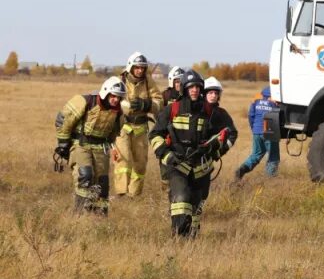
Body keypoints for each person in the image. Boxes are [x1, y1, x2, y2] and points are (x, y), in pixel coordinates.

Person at [149, 70, 229, 237]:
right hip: (178, 164)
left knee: (196, 204)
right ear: (184, 89)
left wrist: (212, 147)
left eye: (198, 87)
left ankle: (192, 238)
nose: (195, 90)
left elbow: (222, 134)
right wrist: (166, 155)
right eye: (191, 87)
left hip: (201, 167)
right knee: (181, 197)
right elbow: (155, 134)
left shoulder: (209, 111)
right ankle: (179, 237)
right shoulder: (172, 109)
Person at [55, 77, 127, 215]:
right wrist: (63, 144)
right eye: (113, 96)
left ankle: (99, 217)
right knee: (85, 176)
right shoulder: (85, 102)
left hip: (101, 148)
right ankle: (78, 214)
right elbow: (62, 120)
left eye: (119, 97)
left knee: (102, 185)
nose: (116, 100)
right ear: (106, 92)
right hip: (81, 145)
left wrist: (113, 148)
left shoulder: (118, 113)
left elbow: (114, 134)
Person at [113, 51, 164, 197]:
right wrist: (125, 107)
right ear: (130, 67)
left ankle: (134, 195)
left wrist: (146, 104)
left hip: (141, 128)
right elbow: (112, 100)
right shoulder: (120, 80)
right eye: (137, 67)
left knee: (140, 165)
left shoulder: (148, 81)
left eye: (143, 67)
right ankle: (121, 193)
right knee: (124, 160)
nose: (140, 70)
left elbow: (159, 102)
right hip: (122, 127)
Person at [235, 87, 281, 180]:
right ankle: (269, 179)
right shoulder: (274, 104)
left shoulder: (256, 102)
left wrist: (254, 128)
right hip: (270, 132)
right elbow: (280, 119)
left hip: (256, 131)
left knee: (256, 154)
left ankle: (242, 169)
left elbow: (250, 115)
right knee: (273, 157)